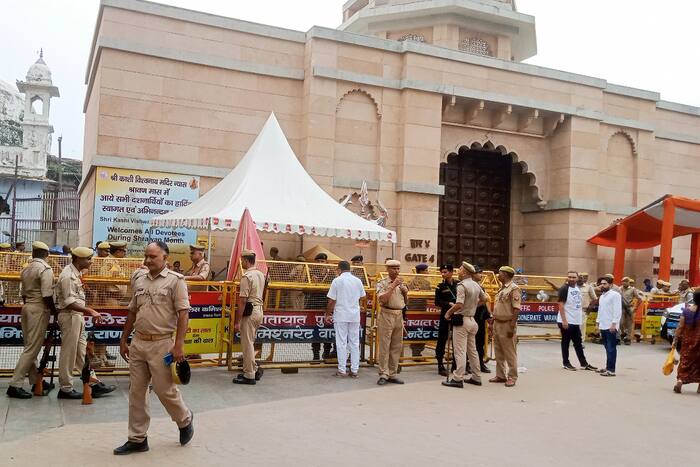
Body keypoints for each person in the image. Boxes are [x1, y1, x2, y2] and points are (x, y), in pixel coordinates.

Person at [114, 241, 193, 455]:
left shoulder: (176, 281)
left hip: (162, 344)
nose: (148, 260)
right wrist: (124, 340)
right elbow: (132, 311)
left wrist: (179, 345)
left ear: (165, 257)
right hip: (139, 343)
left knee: (164, 390)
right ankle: (137, 438)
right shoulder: (138, 278)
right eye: (146, 256)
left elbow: (183, 313)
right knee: (136, 391)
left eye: (153, 257)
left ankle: (184, 420)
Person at [55, 247, 116, 399]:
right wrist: (91, 311)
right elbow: (69, 302)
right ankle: (65, 388)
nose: (91, 261)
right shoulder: (68, 276)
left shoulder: (77, 273)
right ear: (77, 259)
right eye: (88, 259)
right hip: (70, 316)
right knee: (69, 354)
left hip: (77, 317)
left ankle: (93, 383)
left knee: (82, 353)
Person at [6, 241, 57, 399]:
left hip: (27, 307)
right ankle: (15, 384)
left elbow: (22, 294)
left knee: (30, 346)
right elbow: (47, 295)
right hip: (39, 309)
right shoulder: (45, 269)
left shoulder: (26, 268)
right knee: (32, 349)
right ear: (47, 255)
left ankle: (36, 381)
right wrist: (55, 312)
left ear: (33, 254)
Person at [442, 262, 487, 388]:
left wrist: (449, 312)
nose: (458, 271)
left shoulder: (462, 285)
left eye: (460, 269)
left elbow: (459, 304)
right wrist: (472, 307)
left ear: (466, 272)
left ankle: (457, 378)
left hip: (462, 320)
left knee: (460, 351)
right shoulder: (476, 285)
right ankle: (476, 377)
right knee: (472, 350)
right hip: (472, 321)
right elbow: (484, 299)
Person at [324, 260, 366, 377]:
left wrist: (327, 313)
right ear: (349, 269)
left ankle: (342, 370)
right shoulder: (357, 281)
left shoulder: (337, 281)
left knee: (341, 343)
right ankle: (354, 370)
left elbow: (332, 300)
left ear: (339, 269)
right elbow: (363, 296)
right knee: (354, 343)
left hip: (341, 315)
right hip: (354, 316)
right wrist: (356, 302)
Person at [232, 250, 266, 385]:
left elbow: (242, 301)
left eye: (242, 261)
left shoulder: (247, 277)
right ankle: (254, 369)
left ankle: (249, 374)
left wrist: (237, 321)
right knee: (250, 342)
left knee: (247, 345)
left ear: (246, 261)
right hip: (259, 311)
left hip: (250, 312)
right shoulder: (260, 274)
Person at [375, 259, 408, 385]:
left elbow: (405, 303)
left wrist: (405, 293)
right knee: (385, 345)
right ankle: (384, 372)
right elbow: (382, 300)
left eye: (398, 268)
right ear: (387, 269)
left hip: (398, 315)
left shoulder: (402, 283)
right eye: (394, 268)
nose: (397, 271)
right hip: (386, 314)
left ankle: (393, 373)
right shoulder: (382, 283)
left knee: (396, 345)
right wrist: (393, 285)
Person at [557, 271, 597, 372]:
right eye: (569, 277)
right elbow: (561, 305)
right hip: (566, 321)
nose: (571, 279)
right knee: (565, 342)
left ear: (577, 278)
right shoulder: (564, 289)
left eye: (573, 277)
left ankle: (584, 363)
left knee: (578, 343)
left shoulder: (577, 289)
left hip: (575, 321)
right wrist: (564, 321)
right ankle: (566, 363)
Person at [489, 266, 521, 387]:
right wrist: (492, 321)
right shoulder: (501, 289)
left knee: (509, 352)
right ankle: (500, 375)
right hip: (498, 322)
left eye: (500, 273)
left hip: (507, 324)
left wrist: (512, 327)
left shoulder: (514, 289)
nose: (498, 275)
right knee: (499, 351)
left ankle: (512, 376)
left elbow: (516, 309)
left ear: (506, 275)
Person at [672, 290, 700, 394]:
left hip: (687, 342)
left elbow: (680, 327)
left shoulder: (686, 311)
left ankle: (680, 381)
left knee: (685, 361)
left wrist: (675, 340)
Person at [434, 264, 457, 376]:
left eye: (445, 272)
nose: (443, 274)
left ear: (452, 272)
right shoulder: (440, 286)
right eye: (442, 272)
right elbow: (437, 302)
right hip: (445, 315)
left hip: (457, 315)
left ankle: (456, 364)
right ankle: (440, 364)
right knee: (442, 339)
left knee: (456, 340)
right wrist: (448, 303)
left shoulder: (458, 285)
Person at [309, 252, 333, 360]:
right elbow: (303, 290)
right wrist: (313, 285)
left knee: (328, 329)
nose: (320, 263)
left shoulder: (331, 274)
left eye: (322, 261)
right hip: (313, 305)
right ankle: (316, 355)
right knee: (315, 330)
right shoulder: (309, 273)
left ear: (326, 262)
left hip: (327, 305)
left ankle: (327, 353)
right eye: (318, 261)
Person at [596, 276, 621, 377]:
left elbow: (617, 310)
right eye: (601, 284)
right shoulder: (602, 296)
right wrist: (597, 323)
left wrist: (614, 324)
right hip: (603, 324)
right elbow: (600, 310)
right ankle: (607, 367)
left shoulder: (615, 295)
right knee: (607, 347)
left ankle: (611, 370)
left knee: (611, 347)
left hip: (611, 326)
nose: (602, 285)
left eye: (604, 284)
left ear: (610, 285)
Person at [408, 263, 432, 357]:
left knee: (414, 330)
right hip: (421, 309)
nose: (428, 272)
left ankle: (415, 350)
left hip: (411, 309)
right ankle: (417, 351)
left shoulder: (411, 281)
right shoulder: (426, 283)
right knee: (420, 330)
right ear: (421, 271)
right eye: (426, 270)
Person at [472, 265, 491, 373]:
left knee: (480, 343)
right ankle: (468, 364)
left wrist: (489, 316)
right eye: (479, 273)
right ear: (472, 274)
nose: (481, 275)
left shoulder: (481, 287)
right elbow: (469, 304)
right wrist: (481, 303)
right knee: (470, 343)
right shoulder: (468, 286)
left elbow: (485, 303)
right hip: (472, 317)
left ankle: (480, 363)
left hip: (480, 318)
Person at [620, 277, 644, 345]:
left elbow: (640, 299)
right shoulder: (619, 289)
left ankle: (628, 338)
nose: (624, 283)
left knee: (629, 324)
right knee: (620, 323)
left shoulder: (633, 289)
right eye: (623, 281)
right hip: (621, 308)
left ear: (628, 282)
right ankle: (623, 333)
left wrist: (635, 308)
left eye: (626, 281)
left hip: (629, 308)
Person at [577, 273, 597, 337]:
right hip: (572, 310)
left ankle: (580, 341)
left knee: (582, 326)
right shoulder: (571, 287)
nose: (580, 279)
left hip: (583, 310)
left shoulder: (588, 287)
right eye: (579, 278)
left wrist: (589, 308)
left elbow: (595, 299)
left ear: (583, 279)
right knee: (572, 326)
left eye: (581, 278)